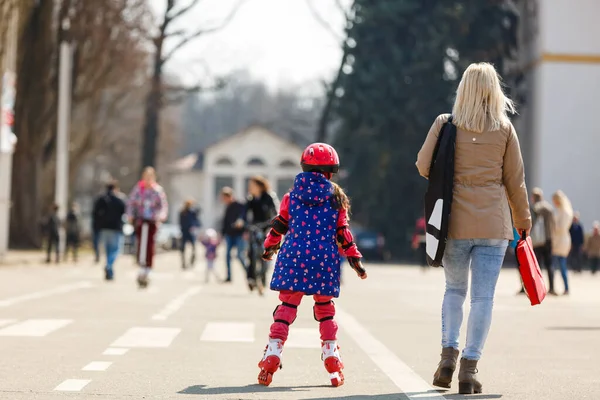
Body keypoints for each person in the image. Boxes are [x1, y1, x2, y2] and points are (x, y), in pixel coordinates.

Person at [416, 62, 531, 395]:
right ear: (494, 90)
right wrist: (523, 221)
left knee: (454, 290)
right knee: (483, 298)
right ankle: (469, 368)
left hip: (455, 222)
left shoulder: (446, 124)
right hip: (494, 223)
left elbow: (423, 166)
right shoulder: (505, 129)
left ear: (463, 88)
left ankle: (447, 357)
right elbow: (516, 181)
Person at [257, 143, 367, 388]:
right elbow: (343, 233)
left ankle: (272, 355)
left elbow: (279, 227)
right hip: (323, 260)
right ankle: (332, 357)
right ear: (330, 171)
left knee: (286, 307)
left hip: (294, 257)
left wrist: (269, 248)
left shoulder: (291, 196)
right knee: (325, 308)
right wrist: (355, 259)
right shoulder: (337, 197)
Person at [126, 167, 169, 288]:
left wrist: (161, 216)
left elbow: (163, 206)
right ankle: (141, 264)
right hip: (140, 220)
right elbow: (131, 203)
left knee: (149, 243)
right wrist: (130, 215)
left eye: (150, 177)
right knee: (140, 243)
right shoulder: (138, 189)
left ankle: (148, 267)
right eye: (146, 177)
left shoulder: (157, 190)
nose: (148, 180)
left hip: (152, 221)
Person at [243, 176, 278, 295]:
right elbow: (245, 214)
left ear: (259, 186)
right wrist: (243, 223)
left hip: (266, 229)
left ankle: (263, 280)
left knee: (265, 256)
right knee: (251, 254)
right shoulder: (250, 199)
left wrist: (272, 225)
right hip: (254, 228)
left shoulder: (269, 197)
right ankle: (251, 278)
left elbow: (275, 212)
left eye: (252, 185)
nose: (250, 188)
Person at [93, 181, 126, 280]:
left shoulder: (101, 199)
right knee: (115, 250)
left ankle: (110, 271)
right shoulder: (119, 199)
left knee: (107, 250)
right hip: (115, 228)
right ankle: (109, 265)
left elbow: (95, 214)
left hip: (104, 228)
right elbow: (124, 212)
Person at [529, 188, 557, 295]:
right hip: (549, 239)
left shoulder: (535, 208)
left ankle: (538, 288)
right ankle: (552, 288)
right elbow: (553, 224)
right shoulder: (549, 208)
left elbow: (531, 223)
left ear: (533, 197)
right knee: (549, 264)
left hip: (538, 240)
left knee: (538, 264)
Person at [220, 187, 246, 283]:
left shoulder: (239, 205)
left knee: (240, 255)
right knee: (227, 255)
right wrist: (222, 234)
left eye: (224, 198)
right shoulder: (227, 207)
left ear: (230, 196)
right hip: (229, 235)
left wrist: (240, 221)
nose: (224, 200)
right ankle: (229, 276)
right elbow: (225, 222)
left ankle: (249, 274)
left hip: (239, 234)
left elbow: (243, 216)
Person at [552, 190, 574, 295]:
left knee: (560, 265)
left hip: (561, 240)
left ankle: (565, 287)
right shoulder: (561, 211)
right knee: (560, 265)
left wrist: (554, 227)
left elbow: (561, 227)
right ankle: (563, 287)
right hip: (560, 240)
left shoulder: (565, 212)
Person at [179, 199, 201, 270]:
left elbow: (197, 219)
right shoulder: (183, 212)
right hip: (184, 231)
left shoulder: (192, 212)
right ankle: (183, 262)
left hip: (191, 231)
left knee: (193, 247)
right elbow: (181, 222)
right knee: (183, 248)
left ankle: (192, 260)